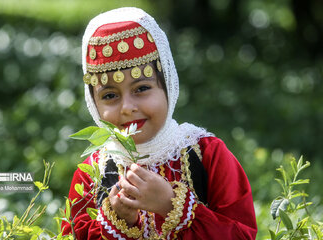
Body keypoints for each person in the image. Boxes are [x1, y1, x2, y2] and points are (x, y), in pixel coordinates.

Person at [61, 7, 257, 240]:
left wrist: (173, 206)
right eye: (110, 96)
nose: (127, 107)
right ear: (93, 102)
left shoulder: (207, 154)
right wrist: (117, 222)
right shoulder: (92, 174)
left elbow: (242, 234)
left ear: (168, 85)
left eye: (142, 88)